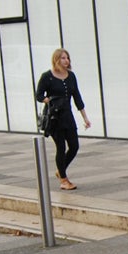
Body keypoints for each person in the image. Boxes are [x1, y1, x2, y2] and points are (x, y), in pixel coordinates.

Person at [35, 48, 91, 190]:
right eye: (63, 58)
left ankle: (60, 170)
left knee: (74, 146)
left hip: (67, 116)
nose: (66, 61)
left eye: (67, 58)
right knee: (60, 147)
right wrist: (47, 100)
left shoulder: (71, 76)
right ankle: (64, 180)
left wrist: (85, 118)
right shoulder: (47, 76)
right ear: (56, 60)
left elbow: (77, 97)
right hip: (54, 117)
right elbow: (38, 95)